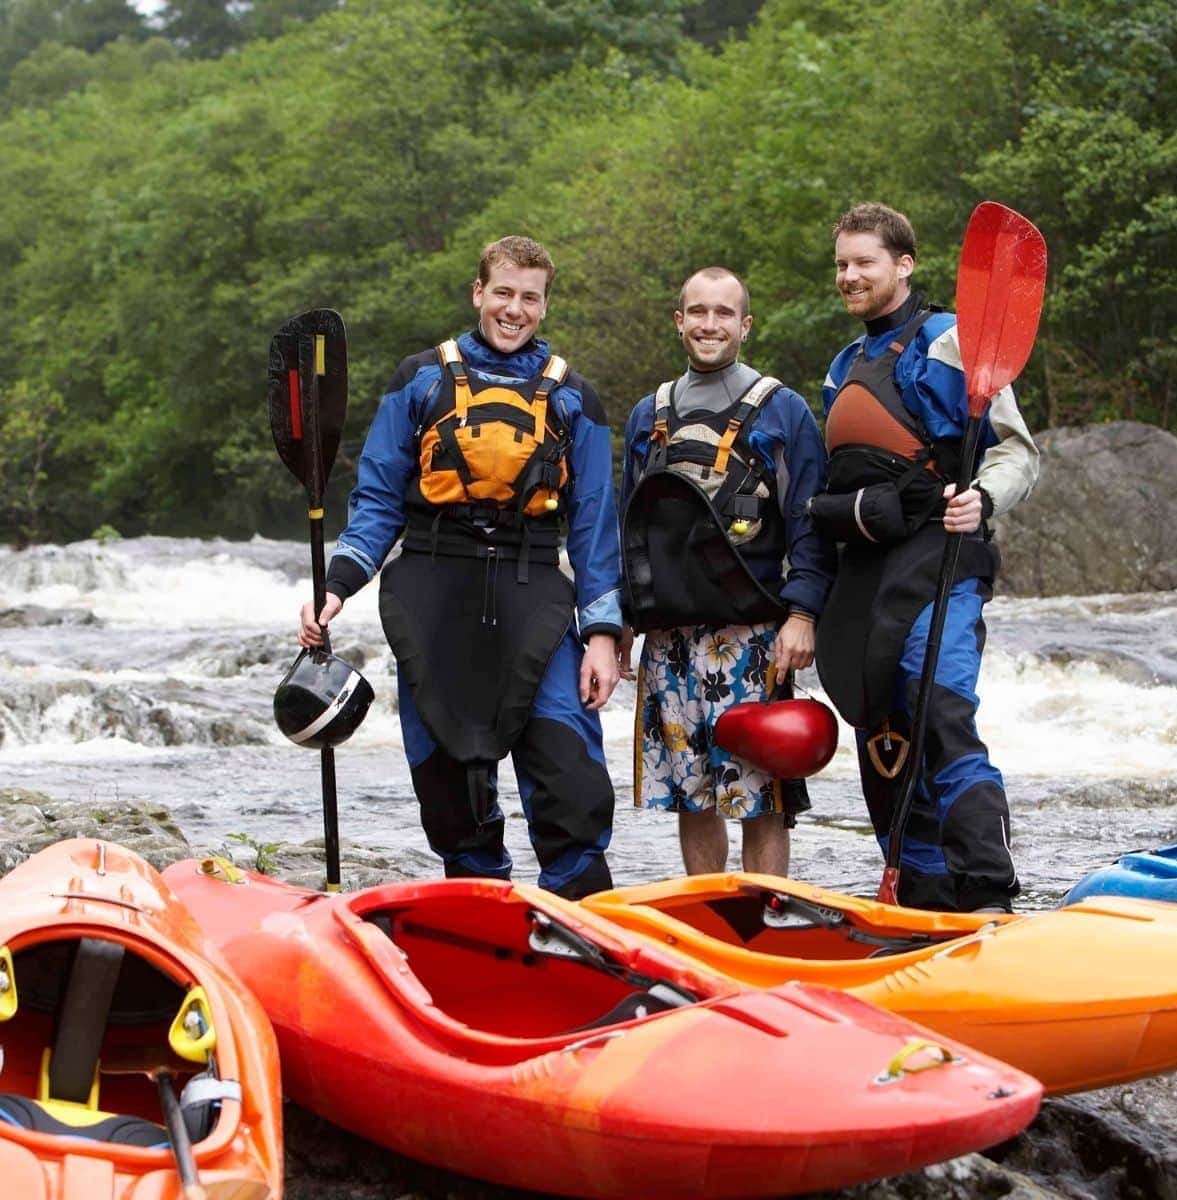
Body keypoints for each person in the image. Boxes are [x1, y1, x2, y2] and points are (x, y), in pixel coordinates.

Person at [298, 235, 623, 899]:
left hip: (534, 591)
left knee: (571, 778)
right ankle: (480, 915)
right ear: (478, 293)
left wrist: (603, 635)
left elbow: (593, 528)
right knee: (452, 789)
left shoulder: (575, 398)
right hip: (432, 591)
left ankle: (585, 916)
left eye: (529, 298)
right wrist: (336, 589)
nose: (514, 309)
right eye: (502, 292)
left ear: (544, 305)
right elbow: (379, 500)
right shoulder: (419, 379)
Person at [811, 202, 1041, 913]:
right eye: (842, 264)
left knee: (938, 709)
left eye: (865, 263)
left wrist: (984, 500)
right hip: (867, 572)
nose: (850, 276)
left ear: (903, 265)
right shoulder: (843, 366)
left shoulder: (951, 342)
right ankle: (917, 889)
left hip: (941, 557)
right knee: (882, 725)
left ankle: (986, 889)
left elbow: (1017, 451)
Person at [619, 267, 835, 876]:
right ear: (679, 321)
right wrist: (624, 623)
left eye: (723, 313)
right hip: (668, 638)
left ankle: (766, 918)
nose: (709, 324)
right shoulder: (647, 415)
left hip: (754, 636)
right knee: (694, 797)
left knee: (760, 797)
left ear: (745, 324)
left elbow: (808, 523)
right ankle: (708, 917)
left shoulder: (783, 411)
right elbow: (627, 524)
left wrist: (803, 613)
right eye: (697, 312)